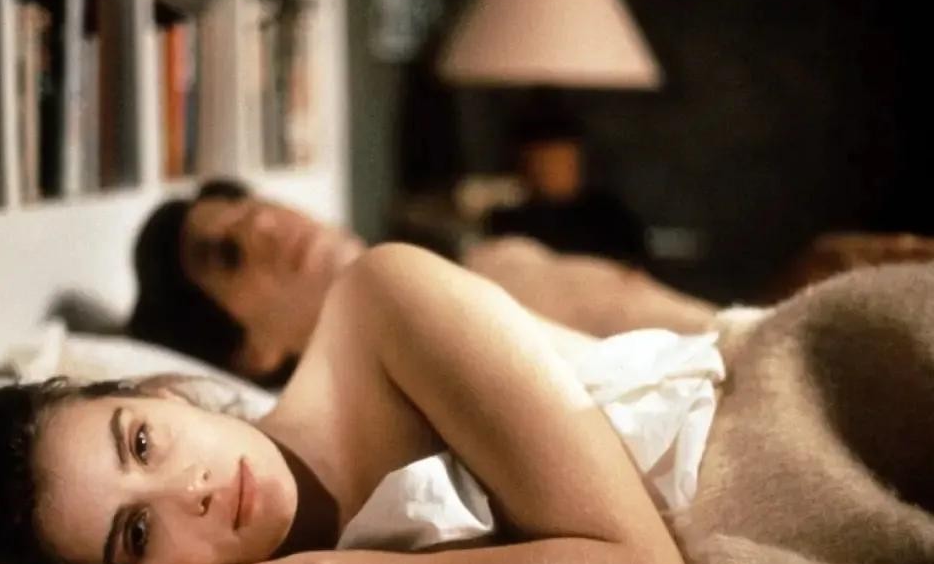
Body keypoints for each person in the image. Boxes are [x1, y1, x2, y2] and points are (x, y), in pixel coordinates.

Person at [0, 244, 696, 564]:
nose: (189, 490)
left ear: (162, 391)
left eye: (141, 440)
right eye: (137, 532)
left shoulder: (383, 299)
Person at [129, 179, 718, 384]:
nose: (263, 223)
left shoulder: (497, 258)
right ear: (252, 351)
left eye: (246, 203)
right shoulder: (409, 401)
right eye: (228, 255)